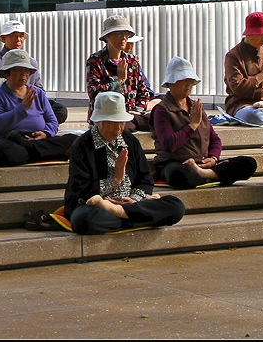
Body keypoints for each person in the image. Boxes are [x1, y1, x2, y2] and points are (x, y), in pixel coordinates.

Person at [63, 91, 186, 235]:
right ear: (98, 121)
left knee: (176, 206)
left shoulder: (130, 141)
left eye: (121, 123)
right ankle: (136, 217)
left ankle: (121, 213)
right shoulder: (82, 145)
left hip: (131, 204)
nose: (118, 129)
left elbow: (145, 180)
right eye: (112, 123)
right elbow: (81, 191)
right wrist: (114, 180)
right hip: (98, 206)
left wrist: (133, 201)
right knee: (83, 220)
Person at [151, 56, 257, 188]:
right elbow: (169, 144)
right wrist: (192, 125)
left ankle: (206, 174)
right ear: (171, 82)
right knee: (179, 175)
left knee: (248, 163)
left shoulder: (196, 107)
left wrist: (213, 158)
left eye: (191, 80)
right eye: (184, 80)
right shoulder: (161, 110)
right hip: (177, 163)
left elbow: (214, 138)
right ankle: (212, 176)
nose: (189, 84)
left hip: (202, 163)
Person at [0, 49, 74, 166]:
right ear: (6, 73)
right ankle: (51, 153)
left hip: (35, 140)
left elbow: (52, 121)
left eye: (26, 71)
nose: (24, 74)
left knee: (73, 140)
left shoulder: (37, 92)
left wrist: (46, 133)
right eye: (18, 70)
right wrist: (22, 109)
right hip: (7, 141)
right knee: (4, 152)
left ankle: (31, 148)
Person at [85, 14, 159, 130]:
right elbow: (94, 92)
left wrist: (138, 110)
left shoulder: (132, 60)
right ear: (106, 37)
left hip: (132, 115)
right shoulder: (95, 60)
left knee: (160, 119)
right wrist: (118, 82)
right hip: (108, 117)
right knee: (122, 127)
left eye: (126, 34)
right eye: (118, 34)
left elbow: (143, 91)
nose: (123, 38)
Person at [0, 19, 68, 125]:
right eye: (13, 36)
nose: (18, 40)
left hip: (30, 102)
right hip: (7, 103)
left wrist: (32, 100)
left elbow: (39, 88)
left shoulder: (31, 62)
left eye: (21, 36)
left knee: (60, 110)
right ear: (3, 38)